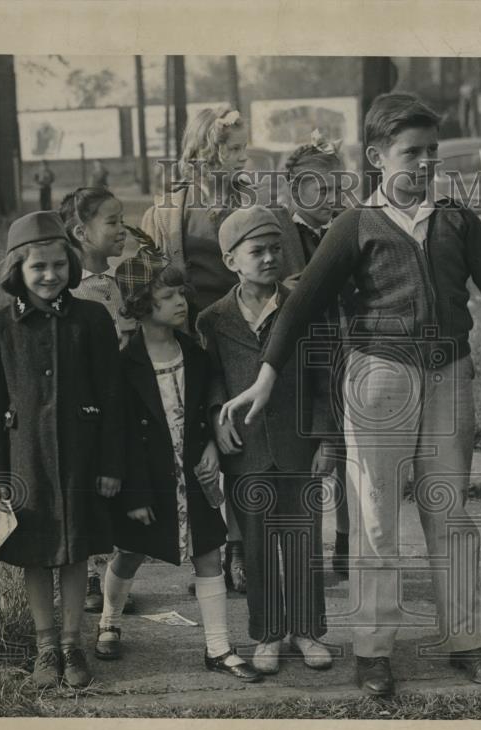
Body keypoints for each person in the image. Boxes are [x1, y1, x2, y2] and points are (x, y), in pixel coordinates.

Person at [220, 93, 481, 697]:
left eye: (432, 152)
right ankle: (374, 651)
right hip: (377, 379)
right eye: (410, 153)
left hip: (448, 376)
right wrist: (265, 377)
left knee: (449, 513)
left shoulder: (455, 220)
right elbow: (301, 306)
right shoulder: (353, 226)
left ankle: (467, 641)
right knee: (375, 521)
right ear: (376, 156)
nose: (424, 164)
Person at [140, 106, 304, 592]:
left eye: (241, 148)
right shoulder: (167, 211)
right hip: (191, 341)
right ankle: (212, 553)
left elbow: (292, 274)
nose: (241, 157)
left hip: (246, 336)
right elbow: (146, 283)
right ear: (203, 153)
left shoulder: (260, 207)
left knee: (245, 440)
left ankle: (244, 552)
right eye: (231, 148)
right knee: (201, 446)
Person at [92, 252, 261, 683]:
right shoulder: (124, 362)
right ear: (142, 307)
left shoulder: (195, 352)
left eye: (181, 294)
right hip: (146, 480)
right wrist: (133, 494)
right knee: (129, 554)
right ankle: (109, 619)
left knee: (209, 553)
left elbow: (205, 409)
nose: (181, 302)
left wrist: (210, 447)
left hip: (192, 476)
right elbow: (118, 431)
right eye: (167, 297)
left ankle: (219, 648)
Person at [0, 211, 124, 688]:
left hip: (82, 459)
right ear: (16, 270)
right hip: (26, 463)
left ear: (71, 265)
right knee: (35, 552)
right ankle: (45, 646)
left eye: (58, 265)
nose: (49, 275)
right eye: (37, 267)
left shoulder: (92, 319)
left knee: (77, 549)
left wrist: (110, 463)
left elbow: (113, 397)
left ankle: (72, 644)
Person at [196, 206, 337, 674]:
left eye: (276, 248)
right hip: (246, 449)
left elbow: (324, 378)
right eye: (257, 251)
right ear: (230, 260)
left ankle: (308, 631)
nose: (270, 258)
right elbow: (211, 377)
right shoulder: (214, 319)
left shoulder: (305, 306)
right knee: (255, 546)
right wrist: (218, 417)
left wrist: (326, 440)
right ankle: (268, 634)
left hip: (299, 445)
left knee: (302, 541)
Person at [59, 187, 138, 614]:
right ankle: (89, 574)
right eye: (112, 222)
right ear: (80, 232)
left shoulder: (118, 281)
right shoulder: (72, 289)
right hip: (87, 403)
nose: (122, 230)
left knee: (116, 482)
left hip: (120, 396)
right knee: (91, 484)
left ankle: (112, 575)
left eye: (123, 220)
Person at [280, 130, 352, 578]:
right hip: (296, 362)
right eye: (319, 189)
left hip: (343, 351)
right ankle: (300, 544)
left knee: (346, 454)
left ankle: (346, 543)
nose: (330, 198)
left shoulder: (348, 227)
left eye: (336, 188)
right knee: (303, 457)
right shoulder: (280, 231)